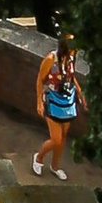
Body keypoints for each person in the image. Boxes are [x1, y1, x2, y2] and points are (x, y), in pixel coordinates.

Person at [35, 35, 85, 179]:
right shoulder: (51, 59)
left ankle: (55, 166)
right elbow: (40, 79)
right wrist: (39, 101)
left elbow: (71, 76)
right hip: (52, 99)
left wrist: (80, 94)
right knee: (56, 139)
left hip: (67, 101)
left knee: (62, 138)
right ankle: (39, 158)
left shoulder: (70, 58)